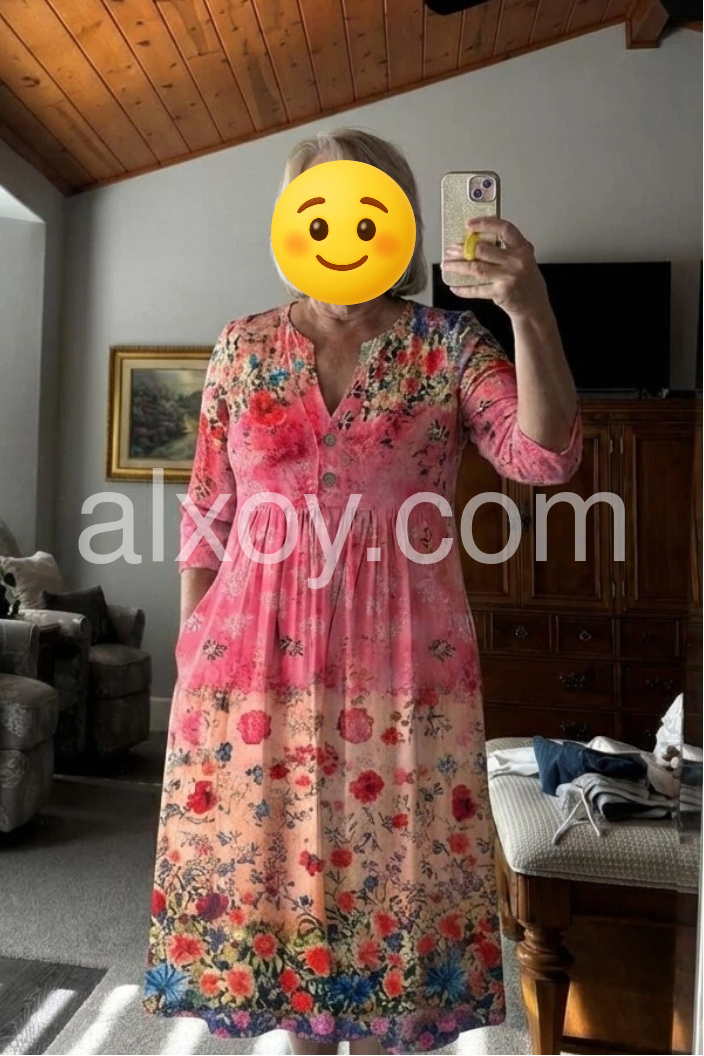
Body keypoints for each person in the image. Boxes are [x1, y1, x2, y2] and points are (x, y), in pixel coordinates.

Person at [142, 128, 581, 1055]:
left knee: (391, 905)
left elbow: (544, 456)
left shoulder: (447, 345)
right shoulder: (242, 346)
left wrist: (530, 308)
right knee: (280, 903)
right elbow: (208, 510)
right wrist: (190, 657)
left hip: (401, 670)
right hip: (251, 663)